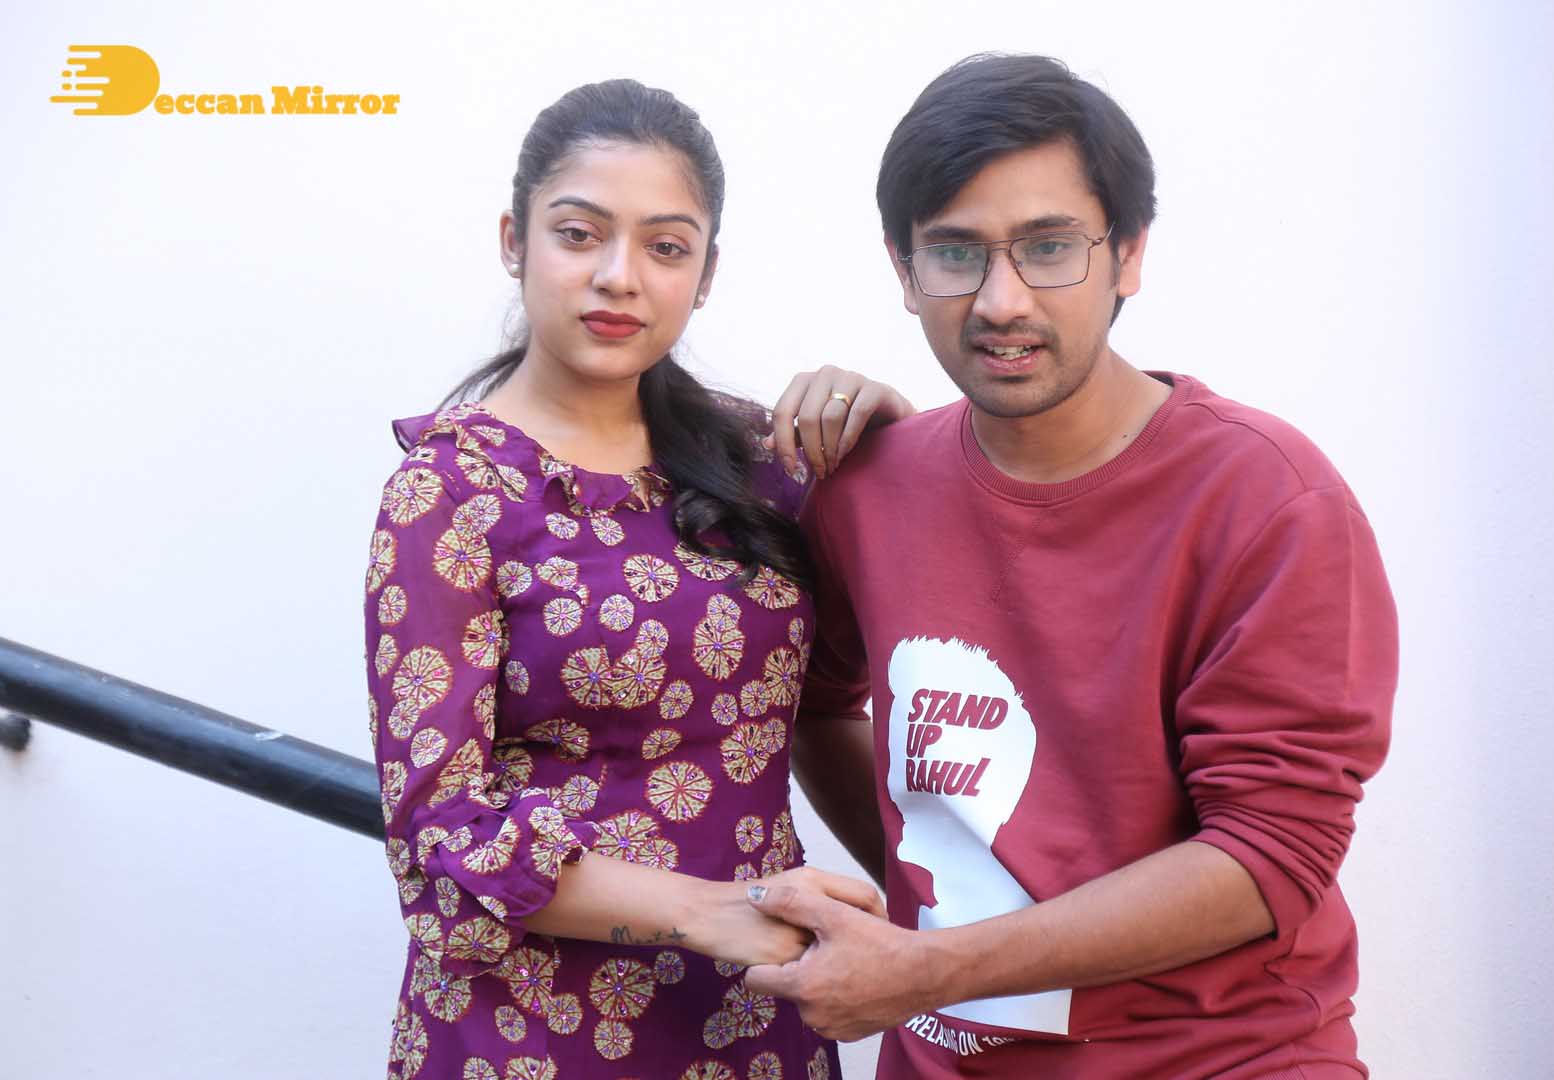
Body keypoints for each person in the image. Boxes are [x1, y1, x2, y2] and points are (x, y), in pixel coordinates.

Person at [751, 54, 1399, 1078]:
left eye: (1049, 247)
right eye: (955, 253)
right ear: (904, 270)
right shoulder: (868, 487)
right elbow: (816, 702)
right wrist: (943, 907)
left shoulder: (1267, 499)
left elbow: (1274, 851)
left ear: (1128, 253)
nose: (1001, 300)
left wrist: (934, 965)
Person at [362, 78, 912, 1080]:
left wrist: (895, 436)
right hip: (530, 1028)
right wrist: (710, 911)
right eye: (580, 235)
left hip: (755, 1016)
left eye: (665, 246)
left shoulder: (762, 462)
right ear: (514, 241)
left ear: (705, 273)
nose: (620, 277)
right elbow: (439, 833)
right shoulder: (451, 491)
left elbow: (904, 636)